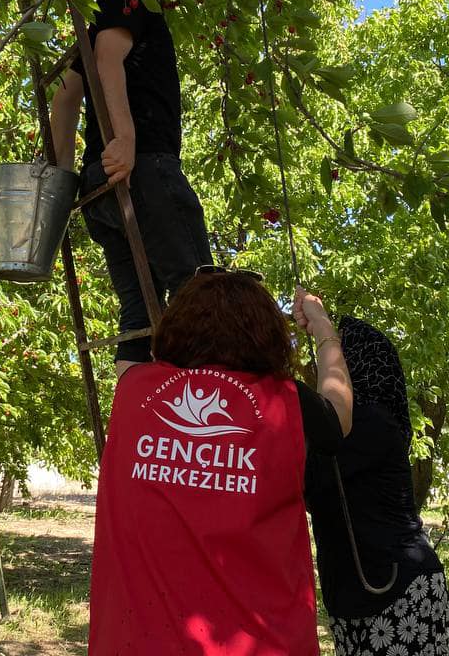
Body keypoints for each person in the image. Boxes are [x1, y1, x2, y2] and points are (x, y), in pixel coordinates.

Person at [89, 274, 352, 656]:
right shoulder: (286, 403)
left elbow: (131, 335)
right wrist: (322, 326)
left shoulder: (132, 389)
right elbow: (339, 412)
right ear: (266, 335)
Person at [49, 0, 211, 372]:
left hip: (102, 186)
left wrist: (65, 177)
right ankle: (206, 428)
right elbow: (107, 62)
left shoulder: (101, 15)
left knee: (139, 316)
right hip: (141, 171)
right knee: (202, 293)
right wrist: (125, 139)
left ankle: (134, 424)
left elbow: (64, 98)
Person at [305, 316, 449, 656]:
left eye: (337, 356)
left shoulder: (371, 422)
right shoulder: (356, 423)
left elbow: (308, 481)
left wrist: (321, 331)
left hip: (400, 596)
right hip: (362, 595)